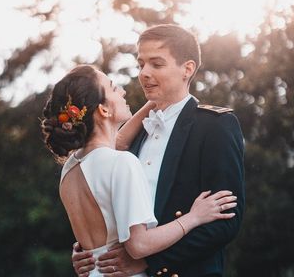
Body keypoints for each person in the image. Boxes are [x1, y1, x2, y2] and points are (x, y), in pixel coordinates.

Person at [73, 24, 245, 277]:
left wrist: (150, 263)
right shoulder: (134, 132)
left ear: (187, 69)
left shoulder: (215, 126)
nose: (144, 73)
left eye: (157, 64)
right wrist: (91, 249)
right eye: (141, 64)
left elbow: (226, 220)